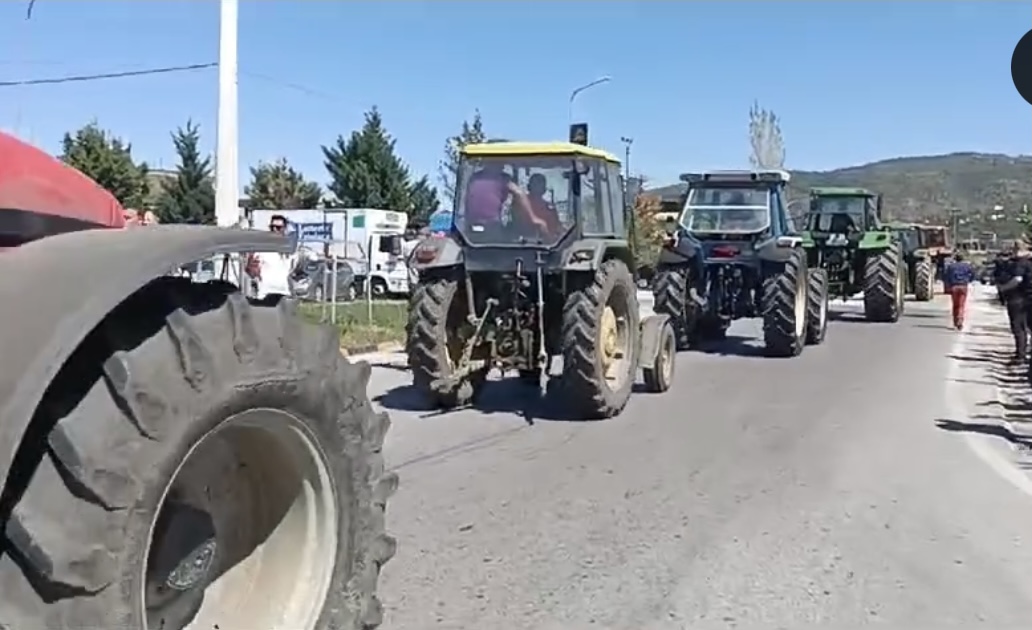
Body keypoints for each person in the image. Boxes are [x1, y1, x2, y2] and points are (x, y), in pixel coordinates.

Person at [996, 241, 1032, 360]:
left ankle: (1020, 355)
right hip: (1028, 298)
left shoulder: (1021, 263)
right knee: (1026, 327)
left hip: (1019, 298)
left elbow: (1017, 279)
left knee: (1018, 327)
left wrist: (1003, 288)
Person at [246, 214, 295, 299]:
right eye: (272, 227)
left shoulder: (289, 249)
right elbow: (250, 271)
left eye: (278, 227)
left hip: (284, 293)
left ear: (284, 229)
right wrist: (253, 268)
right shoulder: (262, 248)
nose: (275, 230)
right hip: (266, 294)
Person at [942, 251, 977, 330]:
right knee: (961, 305)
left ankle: (955, 321)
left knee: (955, 305)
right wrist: (969, 280)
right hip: (963, 286)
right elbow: (973, 274)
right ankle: (960, 321)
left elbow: (946, 276)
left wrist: (948, 285)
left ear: (955, 258)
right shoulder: (967, 266)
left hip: (954, 287)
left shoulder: (951, 266)